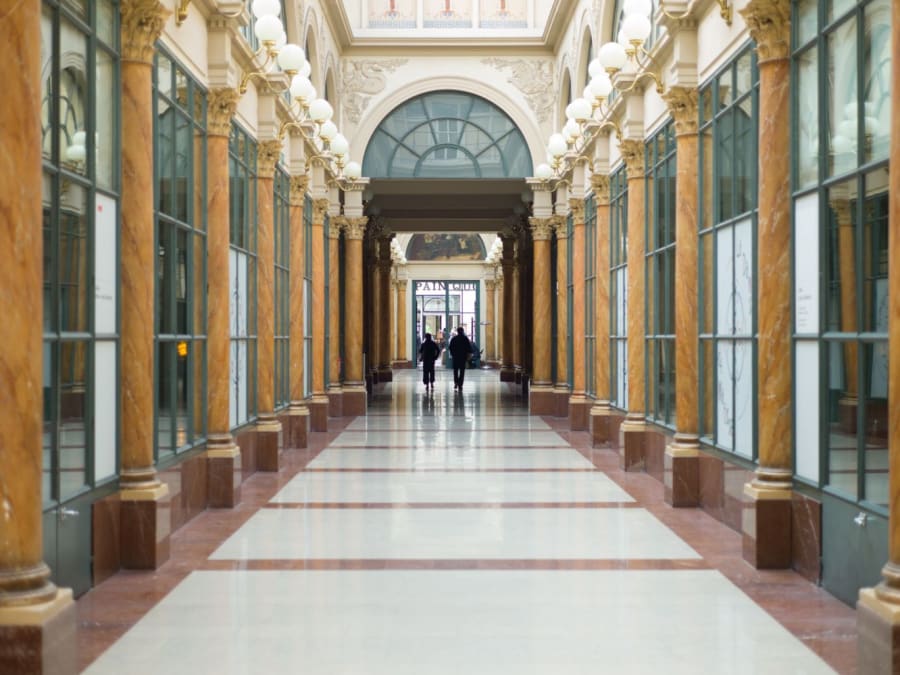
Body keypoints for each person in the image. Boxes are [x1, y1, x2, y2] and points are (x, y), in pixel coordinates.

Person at [448, 326, 473, 392]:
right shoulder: (465, 339)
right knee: (462, 371)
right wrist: (468, 355)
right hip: (462, 357)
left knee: (455, 371)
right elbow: (469, 348)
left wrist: (453, 354)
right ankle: (460, 384)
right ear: (462, 331)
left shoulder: (454, 339)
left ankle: (456, 382)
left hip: (455, 357)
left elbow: (450, 347)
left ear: (457, 331)